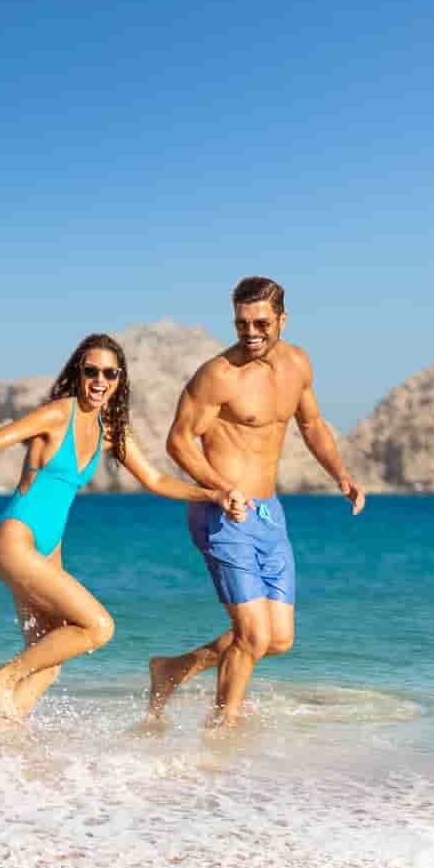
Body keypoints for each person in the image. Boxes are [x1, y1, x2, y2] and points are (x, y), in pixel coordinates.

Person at [0, 334, 248, 727]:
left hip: (45, 551)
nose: (99, 380)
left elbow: (157, 481)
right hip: (14, 539)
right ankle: (0, 679)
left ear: (119, 380)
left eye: (109, 373)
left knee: (48, 661)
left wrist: (215, 493)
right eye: (91, 371)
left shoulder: (111, 431)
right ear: (78, 373)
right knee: (98, 627)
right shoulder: (59, 413)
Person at [146, 276, 366, 728]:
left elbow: (313, 425)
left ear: (282, 320)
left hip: (269, 512)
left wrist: (341, 475)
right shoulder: (218, 376)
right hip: (222, 515)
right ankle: (223, 730)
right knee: (252, 635)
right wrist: (220, 488)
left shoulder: (297, 365)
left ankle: (172, 669)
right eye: (242, 323)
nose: (250, 333)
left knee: (277, 639)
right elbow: (179, 442)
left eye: (261, 323)